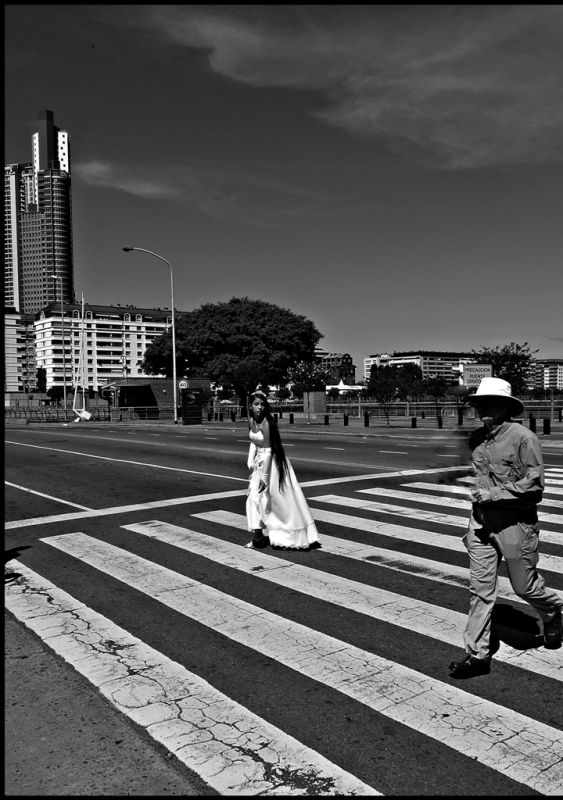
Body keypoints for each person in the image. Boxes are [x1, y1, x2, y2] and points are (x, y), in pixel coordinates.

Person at [449, 377, 562, 679]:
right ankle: (477, 655)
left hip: (515, 525)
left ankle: (553, 615)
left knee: (525, 587)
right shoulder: (476, 438)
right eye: (479, 403)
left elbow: (535, 485)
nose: (482, 408)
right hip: (481, 525)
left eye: (489, 402)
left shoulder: (524, 438)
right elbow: (476, 475)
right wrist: (466, 485)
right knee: (480, 591)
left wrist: (495, 494)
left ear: (505, 407)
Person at [245, 386, 321, 551]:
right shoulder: (251, 421)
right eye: (256, 404)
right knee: (254, 499)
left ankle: (288, 536)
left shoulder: (267, 423)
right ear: (250, 406)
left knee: (276, 502)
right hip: (260, 464)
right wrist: (250, 460)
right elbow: (253, 441)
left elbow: (267, 451)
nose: (260, 407)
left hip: (271, 465)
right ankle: (258, 535)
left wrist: (264, 478)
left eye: (262, 404)